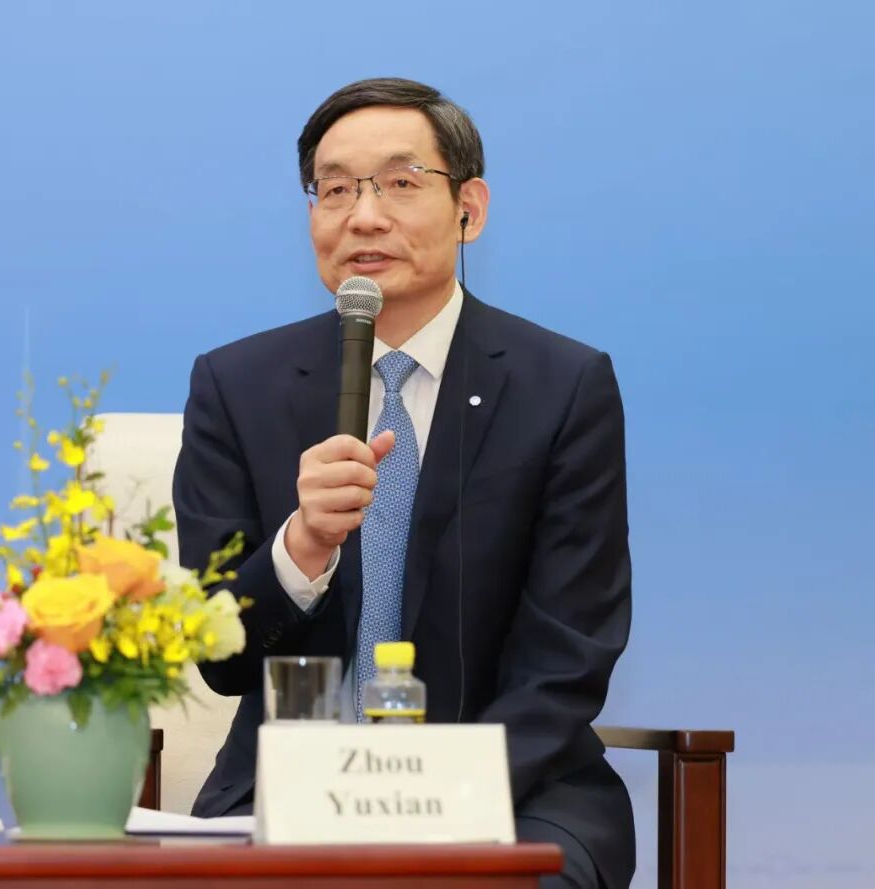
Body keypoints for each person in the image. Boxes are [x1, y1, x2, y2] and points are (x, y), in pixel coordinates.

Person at [173, 77, 634, 889]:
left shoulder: (562, 386)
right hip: (289, 786)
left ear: (469, 209)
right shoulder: (236, 385)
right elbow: (223, 660)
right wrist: (301, 547)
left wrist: (433, 801)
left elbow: (567, 659)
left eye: (399, 182)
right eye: (335, 190)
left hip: (516, 788)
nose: (364, 215)